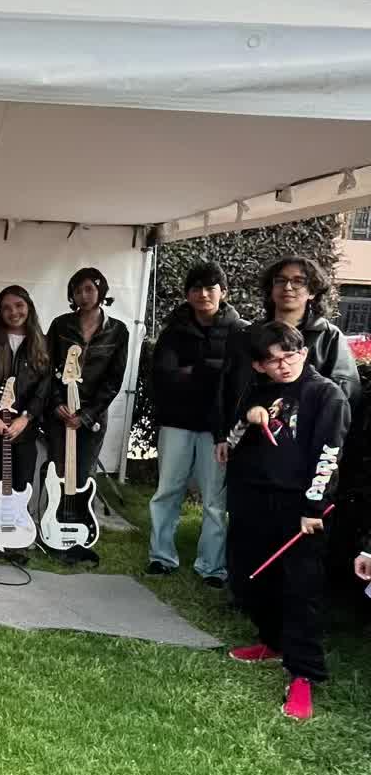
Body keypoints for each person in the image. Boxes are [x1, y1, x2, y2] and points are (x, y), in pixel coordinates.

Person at [220, 321, 350, 720]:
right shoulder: (258, 390)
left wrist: (314, 508)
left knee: (300, 589)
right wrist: (248, 420)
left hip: (300, 508)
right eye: (272, 361)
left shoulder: (326, 395)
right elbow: (229, 444)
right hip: (253, 498)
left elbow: (330, 456)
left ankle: (303, 673)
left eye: (290, 355)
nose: (283, 366)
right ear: (259, 366)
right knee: (249, 575)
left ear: (305, 353)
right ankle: (271, 641)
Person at [146, 261, 246, 586]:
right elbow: (162, 375)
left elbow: (236, 382)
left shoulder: (239, 331)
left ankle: (212, 567)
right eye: (196, 288)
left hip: (218, 430)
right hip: (176, 422)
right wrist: (209, 371)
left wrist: (192, 371)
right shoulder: (174, 330)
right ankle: (161, 557)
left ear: (223, 292)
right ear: (188, 294)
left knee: (215, 499)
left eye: (210, 287)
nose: (203, 294)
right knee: (167, 491)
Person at [0, 285, 49, 531]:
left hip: (23, 427)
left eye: (19, 305)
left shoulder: (43, 343)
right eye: (6, 307)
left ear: (29, 307)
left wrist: (26, 417)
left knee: (22, 479)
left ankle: (17, 526)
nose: (13, 312)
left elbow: (44, 386)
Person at [238, 255, 361, 409]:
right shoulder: (249, 334)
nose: (287, 287)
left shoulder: (329, 336)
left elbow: (345, 392)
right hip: (251, 426)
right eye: (280, 281)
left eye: (298, 281)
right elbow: (232, 387)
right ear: (271, 289)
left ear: (312, 292)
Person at [45, 268, 129, 488]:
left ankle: (81, 520)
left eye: (89, 289)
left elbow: (114, 380)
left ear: (101, 290)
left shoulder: (118, 331)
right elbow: (46, 368)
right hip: (60, 411)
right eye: (77, 290)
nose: (83, 295)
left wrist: (87, 415)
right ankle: (53, 519)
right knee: (58, 472)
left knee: (83, 475)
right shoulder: (60, 325)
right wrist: (56, 403)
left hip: (94, 415)